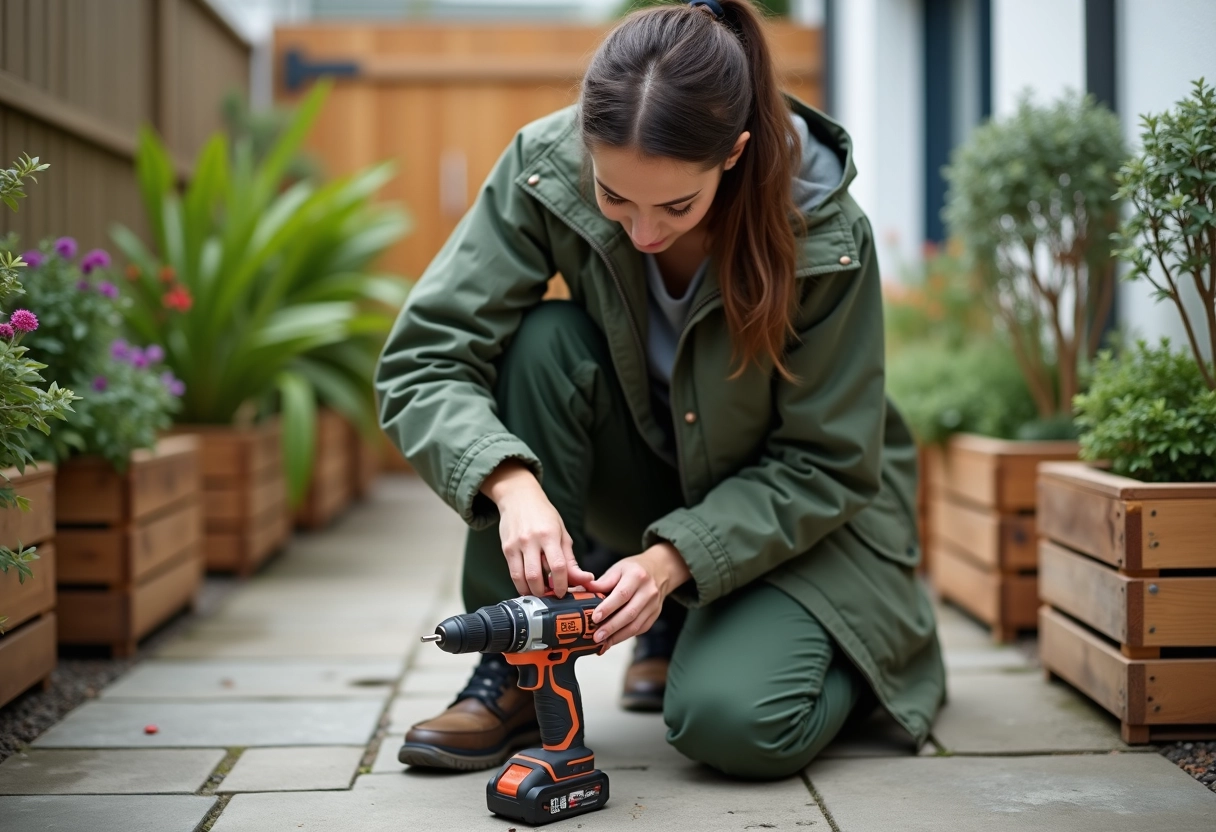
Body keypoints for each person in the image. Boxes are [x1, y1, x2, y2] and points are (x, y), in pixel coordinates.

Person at [375, 0, 945, 780]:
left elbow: (829, 461)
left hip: (804, 518)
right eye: (616, 199)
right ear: (587, 147)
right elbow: (423, 358)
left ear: (737, 153)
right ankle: (517, 666)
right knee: (544, 342)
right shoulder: (543, 167)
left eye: (677, 205)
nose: (642, 233)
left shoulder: (827, 233)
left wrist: (672, 560)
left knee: (732, 726)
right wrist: (511, 486)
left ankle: (866, 649)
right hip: (648, 472)